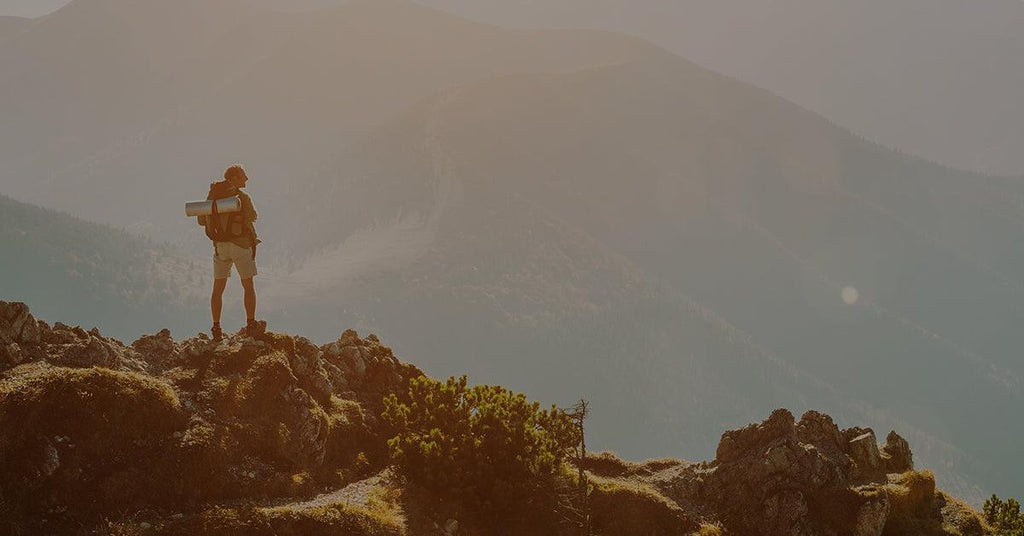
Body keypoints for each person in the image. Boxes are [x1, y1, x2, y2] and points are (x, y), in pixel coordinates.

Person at [198, 164, 262, 339]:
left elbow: (201, 221)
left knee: (218, 289)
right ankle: (251, 324)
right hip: (240, 245)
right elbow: (253, 216)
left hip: (220, 247)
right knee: (248, 286)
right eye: (243, 176)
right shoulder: (242, 197)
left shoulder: (213, 196)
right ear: (233, 178)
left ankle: (216, 328)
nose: (246, 179)